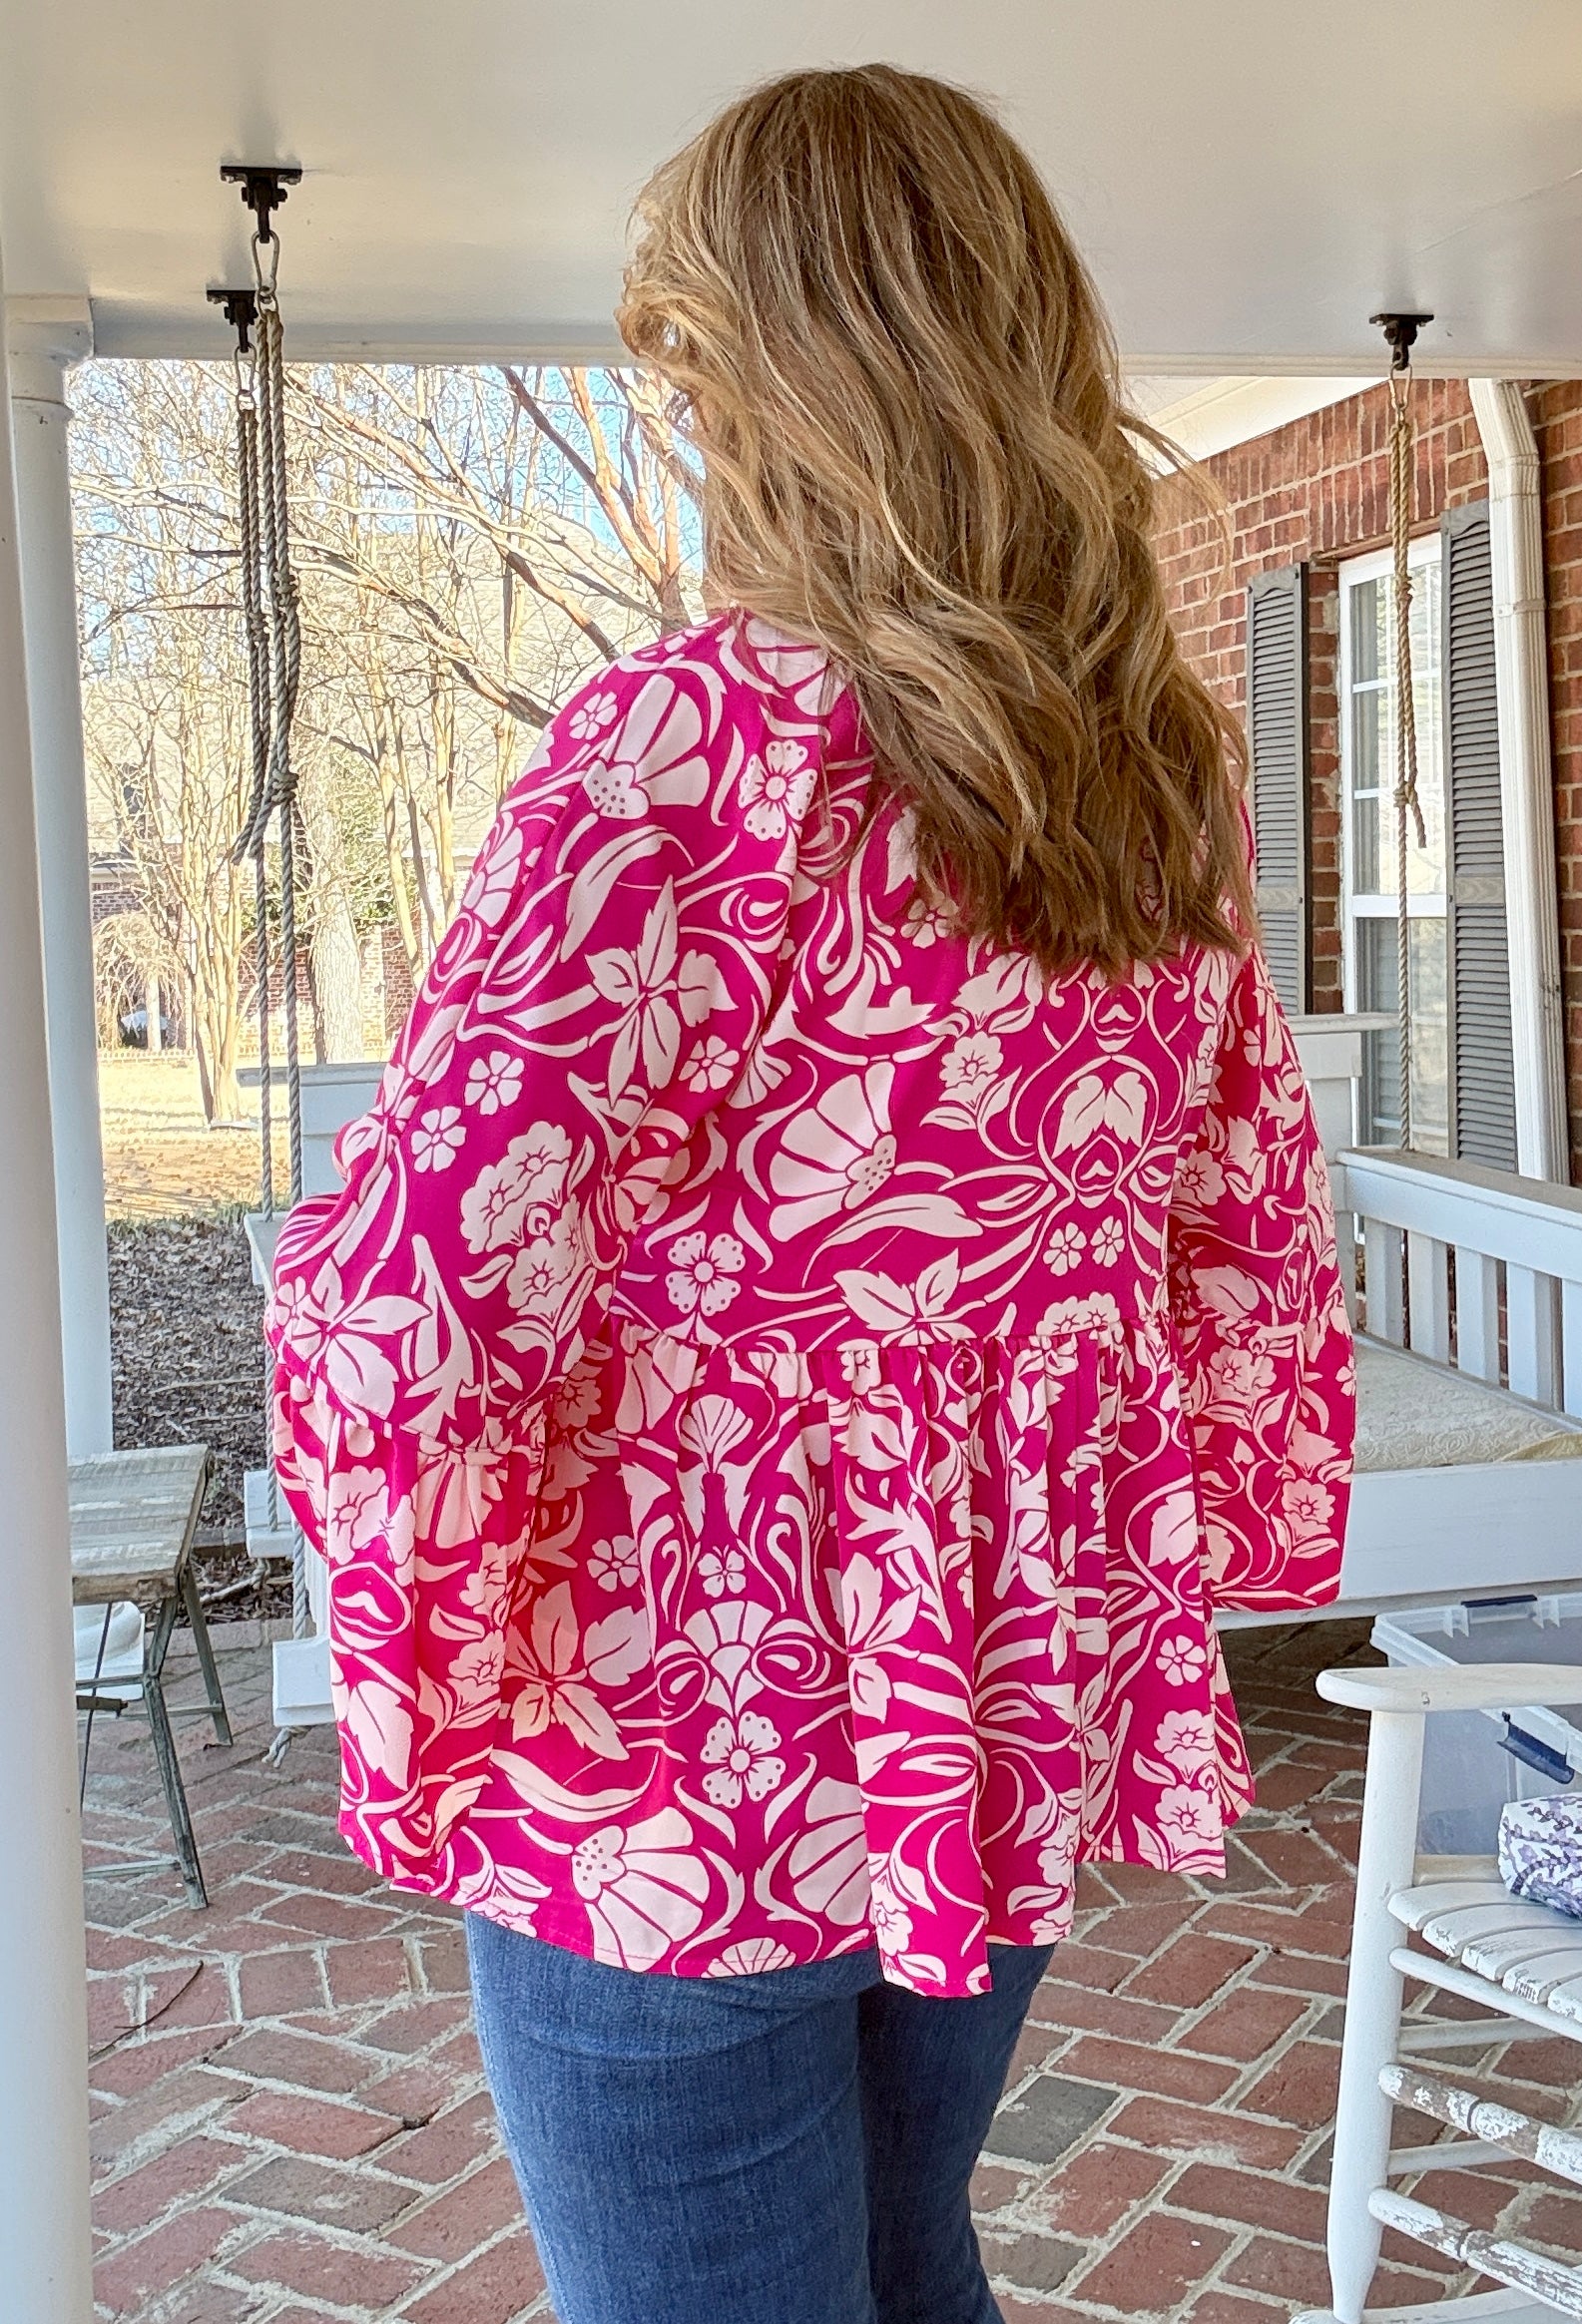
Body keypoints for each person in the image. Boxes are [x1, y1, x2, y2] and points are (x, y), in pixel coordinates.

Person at [267, 61, 1354, 2324]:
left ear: (771, 380)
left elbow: (402, 1314)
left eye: (686, 368)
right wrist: (1211, 1531)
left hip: (675, 1738)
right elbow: (1245, 1230)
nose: (676, 424)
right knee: (903, 2255)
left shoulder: (687, 751)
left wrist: (437, 1648)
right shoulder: (1148, 777)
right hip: (993, 1704)